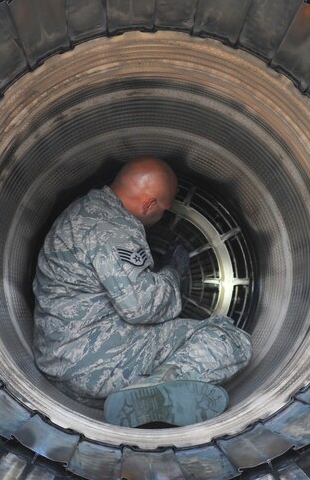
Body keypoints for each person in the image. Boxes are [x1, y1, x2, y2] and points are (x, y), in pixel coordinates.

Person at [32, 157, 253, 427]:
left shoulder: (82, 213)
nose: (161, 218)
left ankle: (143, 392)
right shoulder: (114, 228)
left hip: (59, 365)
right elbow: (142, 306)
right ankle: (159, 385)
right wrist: (173, 272)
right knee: (229, 337)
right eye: (163, 210)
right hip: (98, 368)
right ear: (149, 204)